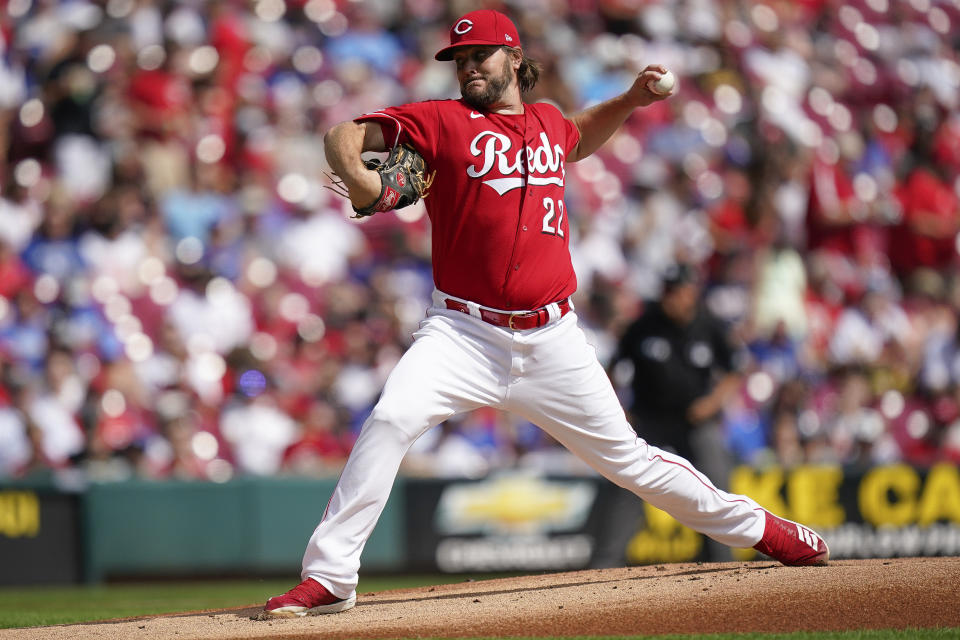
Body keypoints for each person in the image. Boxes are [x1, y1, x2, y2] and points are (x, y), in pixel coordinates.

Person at [263, 9, 829, 618]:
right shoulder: (440, 121)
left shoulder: (549, 122)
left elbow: (579, 134)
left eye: (480, 54)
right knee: (391, 418)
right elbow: (343, 133)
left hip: (552, 338)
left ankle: (764, 531)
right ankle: (330, 576)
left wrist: (632, 99)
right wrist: (359, 176)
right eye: (460, 59)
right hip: (462, 332)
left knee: (630, 461)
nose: (469, 67)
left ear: (513, 56)